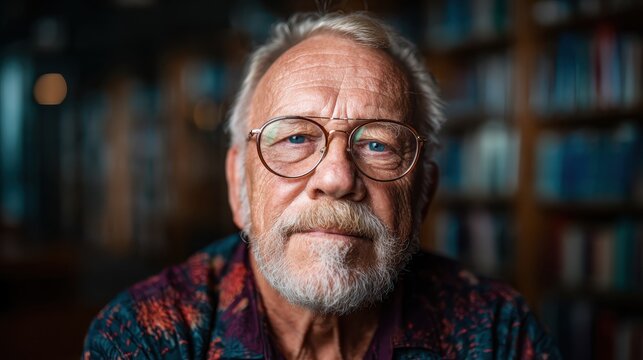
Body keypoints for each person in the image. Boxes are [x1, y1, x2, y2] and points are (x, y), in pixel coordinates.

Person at [83, 12, 560, 359]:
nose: (335, 178)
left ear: (423, 195)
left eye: (377, 145)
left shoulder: (498, 330)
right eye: (295, 138)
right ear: (237, 184)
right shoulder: (147, 336)